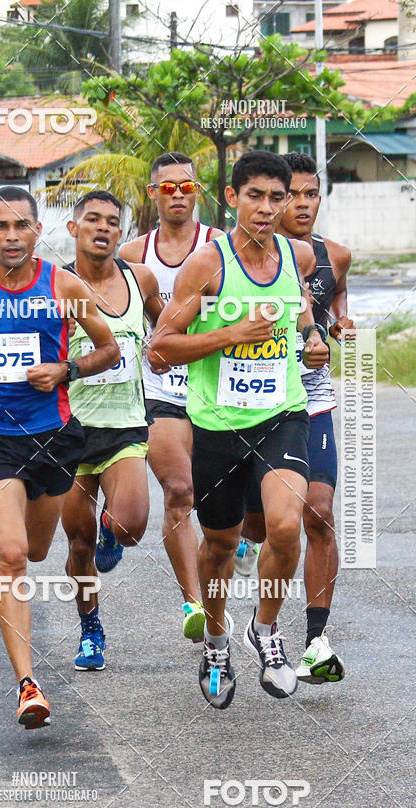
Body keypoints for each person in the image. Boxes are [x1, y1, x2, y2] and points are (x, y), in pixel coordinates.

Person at [0, 186, 119, 730]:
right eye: (1, 227)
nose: (12, 237)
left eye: (22, 227)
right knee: (9, 556)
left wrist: (67, 370)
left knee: (34, 551)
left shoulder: (64, 285)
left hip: (52, 437)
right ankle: (28, 685)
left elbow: (110, 349)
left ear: (39, 231)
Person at [150, 150, 328, 709]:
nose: (269, 208)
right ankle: (217, 636)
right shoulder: (209, 264)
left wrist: (312, 339)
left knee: (284, 526)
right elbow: (160, 350)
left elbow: (298, 314)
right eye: (256, 196)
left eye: (280, 197)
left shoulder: (298, 257)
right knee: (221, 542)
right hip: (217, 424)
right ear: (232, 198)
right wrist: (230, 335)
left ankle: (267, 630)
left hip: (282, 415)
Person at [236, 152, 353, 685]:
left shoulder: (334, 256)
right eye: (292, 195)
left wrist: (338, 325)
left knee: (319, 513)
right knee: (264, 526)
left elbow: (333, 304)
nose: (302, 205)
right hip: (256, 403)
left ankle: (316, 640)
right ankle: (256, 602)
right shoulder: (239, 257)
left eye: (311, 194)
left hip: (312, 398)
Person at [118, 152, 226, 643]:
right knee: (179, 490)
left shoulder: (221, 247)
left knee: (226, 502)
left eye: (186, 187)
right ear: (152, 194)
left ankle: (230, 552)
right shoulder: (132, 255)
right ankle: (193, 602)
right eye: (167, 188)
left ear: (197, 191)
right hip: (159, 388)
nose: (177, 195)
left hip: (216, 386)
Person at [61, 190, 163, 671]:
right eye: (93, 220)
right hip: (67, 431)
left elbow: (168, 326)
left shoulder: (140, 278)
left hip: (126, 426)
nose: (103, 228)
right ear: (73, 229)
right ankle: (90, 631)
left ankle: (110, 532)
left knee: (131, 524)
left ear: (121, 233)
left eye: (113, 223)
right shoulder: (55, 286)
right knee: (76, 546)